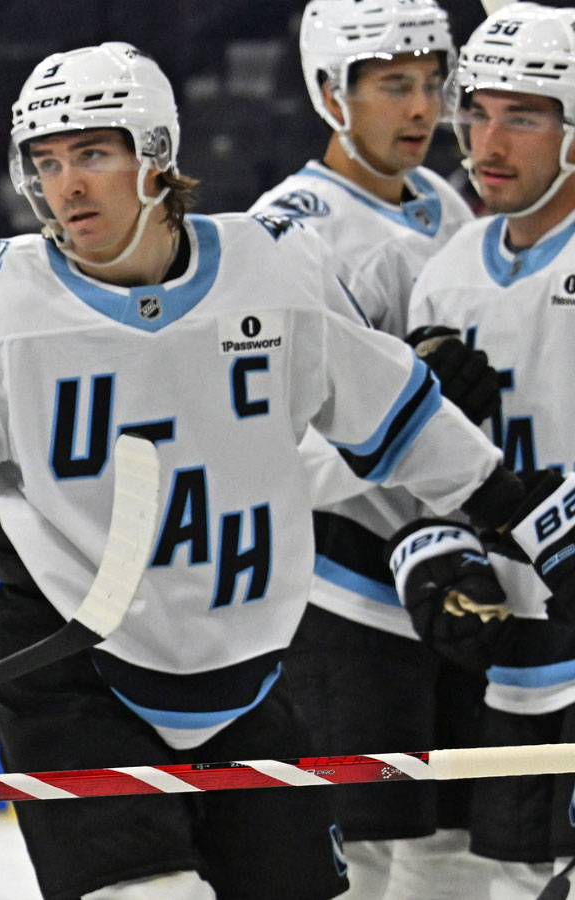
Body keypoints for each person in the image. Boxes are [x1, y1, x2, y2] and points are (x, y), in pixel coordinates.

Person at [0, 41, 541, 900]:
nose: (68, 186)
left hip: (246, 673)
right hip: (73, 675)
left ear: (158, 156)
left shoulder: (272, 266)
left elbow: (400, 419)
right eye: (48, 162)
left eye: (93, 153)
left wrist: (527, 519)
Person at [248, 4, 499, 896]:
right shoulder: (286, 230)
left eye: (433, 84)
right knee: (367, 852)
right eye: (395, 85)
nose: (423, 108)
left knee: (457, 841)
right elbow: (277, 441)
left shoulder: (444, 203)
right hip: (344, 591)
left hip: (448, 572)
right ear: (329, 92)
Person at [404, 4, 575, 895]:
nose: (489, 140)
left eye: (526, 114)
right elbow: (419, 475)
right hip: (512, 672)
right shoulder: (450, 270)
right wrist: (432, 553)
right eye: (478, 110)